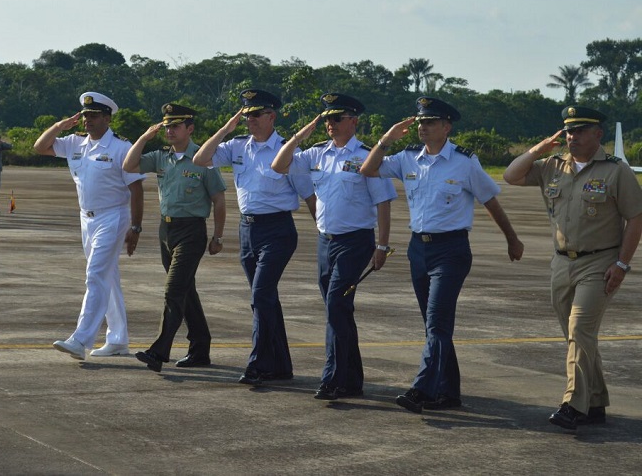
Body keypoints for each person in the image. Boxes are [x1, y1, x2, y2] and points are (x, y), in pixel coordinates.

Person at [359, 96, 524, 413]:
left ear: (446, 127)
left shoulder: (464, 162)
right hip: (418, 249)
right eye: (420, 121)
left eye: (430, 122)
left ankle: (422, 389)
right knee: (435, 326)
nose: (423, 127)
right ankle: (449, 394)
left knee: (436, 324)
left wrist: (512, 239)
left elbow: (490, 201)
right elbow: (368, 169)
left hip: (451, 250)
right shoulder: (408, 158)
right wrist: (386, 138)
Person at [503, 105, 642, 430]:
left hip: (600, 262)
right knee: (578, 337)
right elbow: (511, 175)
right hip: (562, 262)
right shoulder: (552, 166)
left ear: (598, 134)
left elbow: (636, 217)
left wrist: (622, 263)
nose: (572, 137)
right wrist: (539, 149)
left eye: (580, 131)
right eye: (569, 131)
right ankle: (595, 402)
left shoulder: (615, 170)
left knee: (580, 331)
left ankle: (573, 405)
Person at [272, 93, 397, 400]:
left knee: (336, 306)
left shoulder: (366, 157)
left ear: (353, 121)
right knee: (339, 310)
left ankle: (333, 378)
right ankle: (352, 380)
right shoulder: (316, 154)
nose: (330, 123)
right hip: (325, 243)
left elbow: (383, 202)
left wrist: (382, 245)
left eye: (336, 118)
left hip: (355, 242)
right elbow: (278, 165)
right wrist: (302, 134)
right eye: (326, 118)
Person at [193, 89, 316, 385]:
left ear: (271, 116)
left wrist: (326, 233)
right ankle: (281, 366)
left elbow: (310, 195)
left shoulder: (288, 151)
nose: (250, 120)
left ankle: (259, 364)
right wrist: (225, 128)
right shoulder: (236, 147)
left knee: (260, 295)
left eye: (255, 115)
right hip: (247, 230)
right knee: (266, 299)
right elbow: (200, 158)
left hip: (278, 230)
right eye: (246, 115)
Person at [33, 91, 145, 360]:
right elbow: (40, 147)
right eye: (84, 116)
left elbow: (137, 188)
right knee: (108, 277)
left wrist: (136, 227)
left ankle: (80, 340)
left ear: (107, 118)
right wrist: (60, 126)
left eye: (93, 116)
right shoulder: (75, 144)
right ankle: (118, 339)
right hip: (87, 218)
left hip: (114, 216)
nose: (87, 121)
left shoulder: (121, 147)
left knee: (95, 275)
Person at [123, 103, 227, 372]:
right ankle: (200, 347)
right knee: (185, 291)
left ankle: (158, 352)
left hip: (192, 231)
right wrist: (146, 137)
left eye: (175, 126)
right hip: (166, 230)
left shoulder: (203, 159)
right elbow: (129, 164)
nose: (169, 130)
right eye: (167, 126)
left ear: (189, 129)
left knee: (173, 291)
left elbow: (219, 199)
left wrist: (217, 236)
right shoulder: (160, 157)